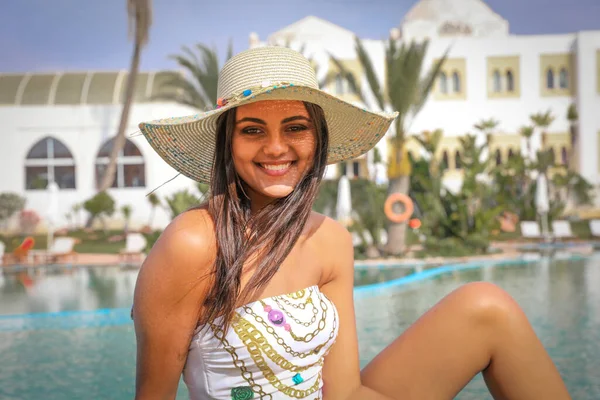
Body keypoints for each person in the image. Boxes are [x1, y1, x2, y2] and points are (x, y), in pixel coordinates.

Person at [132, 46, 571, 400]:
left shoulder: (331, 240)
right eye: (252, 130)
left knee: (486, 305)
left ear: (317, 138)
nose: (276, 147)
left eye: (295, 127)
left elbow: (343, 391)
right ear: (228, 142)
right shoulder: (193, 242)